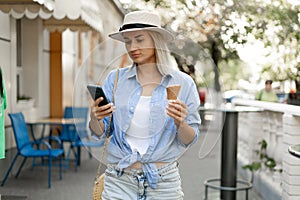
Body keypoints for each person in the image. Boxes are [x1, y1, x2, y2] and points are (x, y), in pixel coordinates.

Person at [89, 10, 201, 199]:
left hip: (164, 183)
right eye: (127, 41)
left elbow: (188, 139)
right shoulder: (115, 79)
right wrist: (95, 118)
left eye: (139, 39)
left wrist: (181, 123)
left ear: (156, 41)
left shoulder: (183, 82)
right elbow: (100, 132)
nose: (132, 47)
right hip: (119, 180)